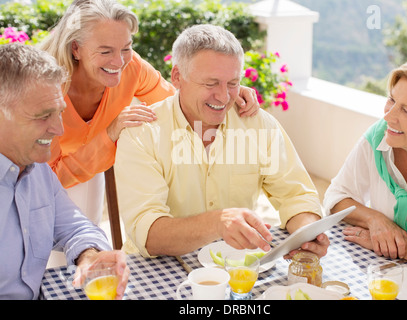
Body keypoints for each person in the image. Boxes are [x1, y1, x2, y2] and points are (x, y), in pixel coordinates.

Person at [114, 24, 329, 259]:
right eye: (211, 83)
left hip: (235, 269)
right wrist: (217, 223)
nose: (224, 96)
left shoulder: (258, 125)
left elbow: (296, 195)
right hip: (156, 272)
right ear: (177, 77)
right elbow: (148, 234)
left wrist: (306, 233)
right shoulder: (141, 133)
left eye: (233, 83)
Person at [39, 0, 260, 224]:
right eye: (106, 51)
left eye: (126, 48)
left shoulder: (132, 67)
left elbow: (178, 104)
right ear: (76, 48)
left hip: (87, 165)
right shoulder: (45, 88)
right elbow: (49, 177)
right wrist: (110, 133)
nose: (119, 61)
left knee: (85, 238)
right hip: (29, 175)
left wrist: (223, 89)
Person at [0, 43, 129, 300]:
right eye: (42, 116)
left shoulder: (37, 171)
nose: (59, 129)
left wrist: (90, 256)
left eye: (59, 113)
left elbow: (75, 227)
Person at [324, 51, 407, 273]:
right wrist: (375, 220)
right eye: (392, 99)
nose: (388, 116)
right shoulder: (380, 136)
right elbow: (336, 197)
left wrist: (399, 246)